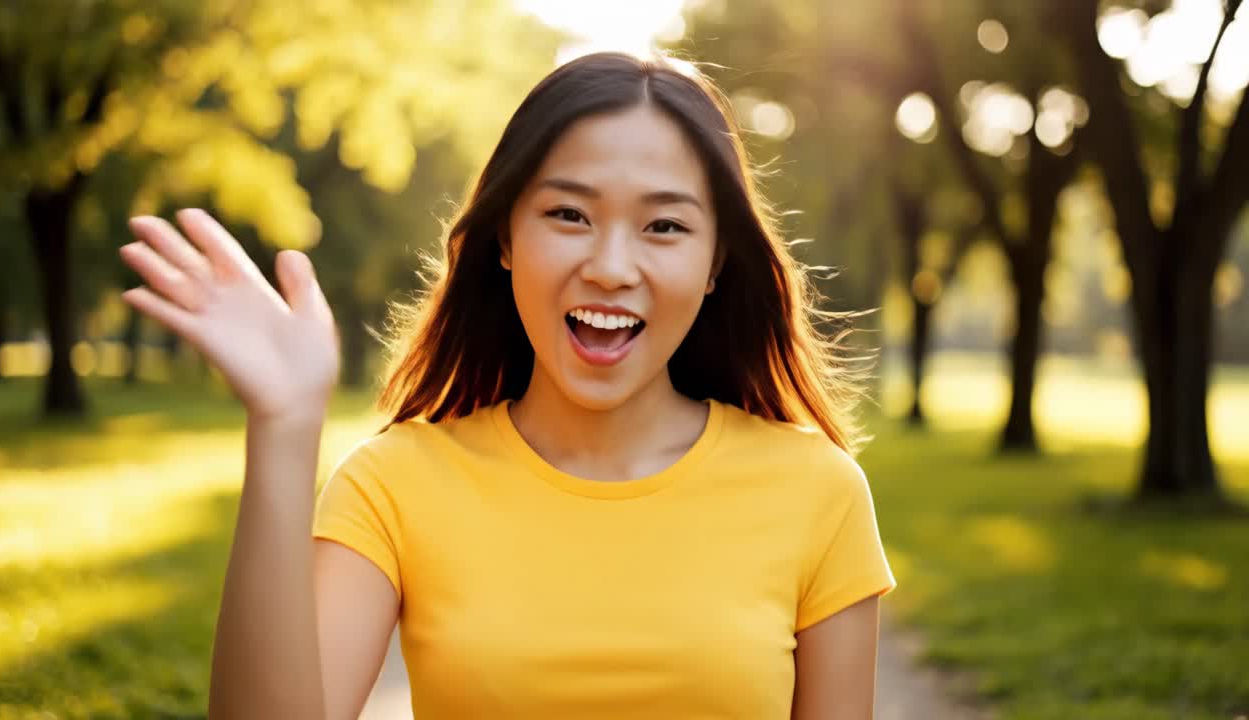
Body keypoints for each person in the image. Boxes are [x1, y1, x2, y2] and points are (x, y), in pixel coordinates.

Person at [119, 51, 896, 720]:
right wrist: (285, 427)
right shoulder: (396, 484)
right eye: (568, 214)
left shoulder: (818, 493)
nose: (612, 267)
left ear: (717, 262)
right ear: (504, 238)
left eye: (664, 226)